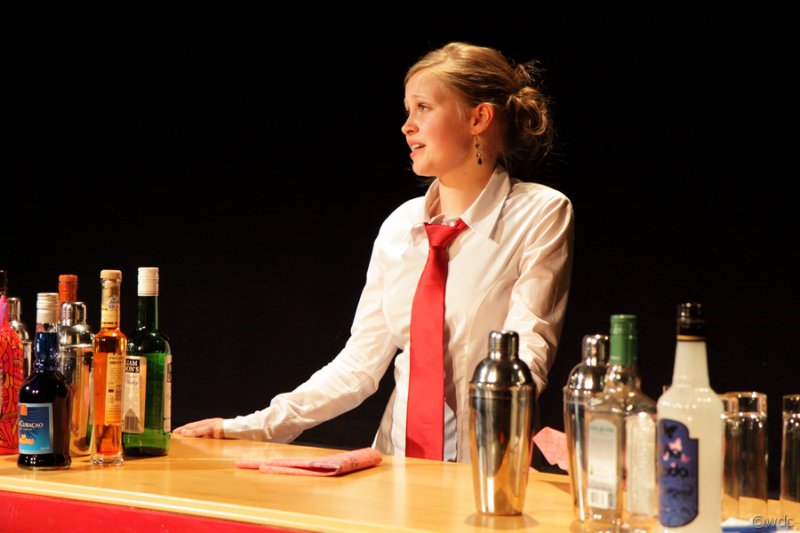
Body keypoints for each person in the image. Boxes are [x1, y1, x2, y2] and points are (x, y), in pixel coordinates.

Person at [174, 42, 573, 463]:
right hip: (397, 465)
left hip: (484, 467)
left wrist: (496, 447)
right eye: (407, 110)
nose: (407, 126)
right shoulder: (400, 226)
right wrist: (251, 427)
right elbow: (359, 366)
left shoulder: (539, 213)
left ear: (478, 118)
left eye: (423, 107)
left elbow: (529, 349)